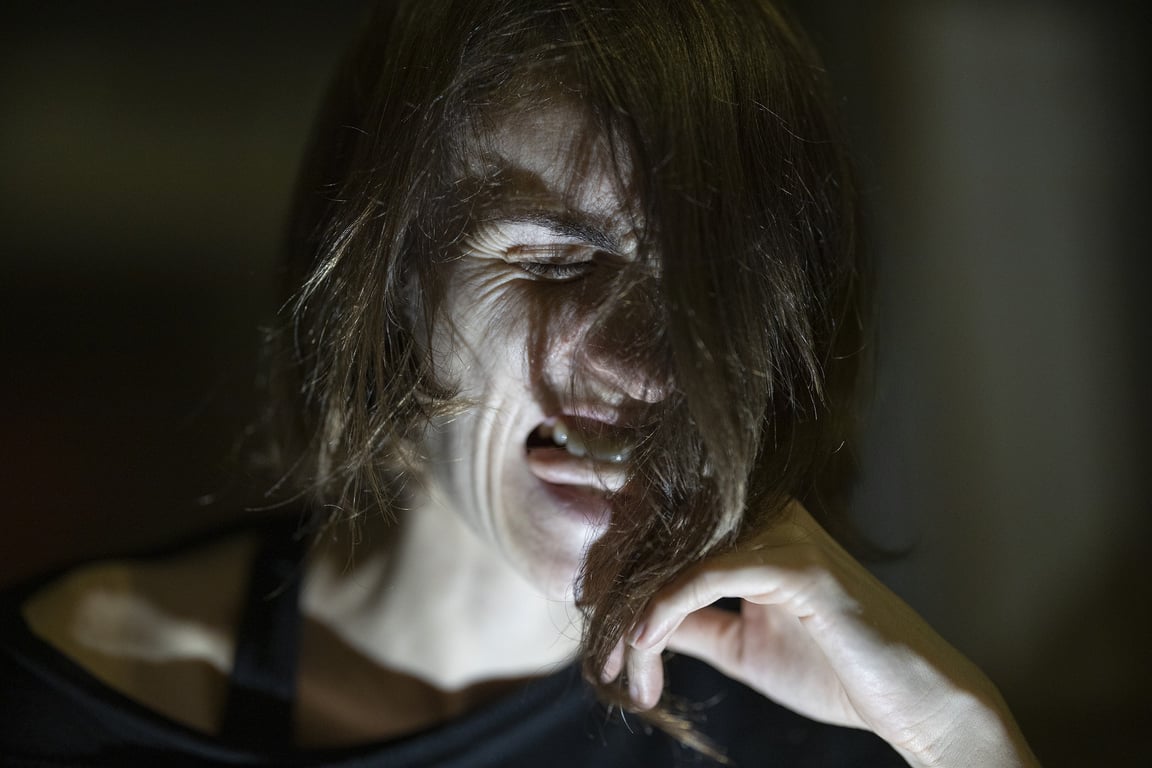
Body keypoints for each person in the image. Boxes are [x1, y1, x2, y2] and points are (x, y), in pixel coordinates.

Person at [0, 0, 1040, 765]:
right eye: (556, 258)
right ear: (393, 279)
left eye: (713, 285)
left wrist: (961, 736)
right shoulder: (64, 711)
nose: (646, 367)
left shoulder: (825, 733)